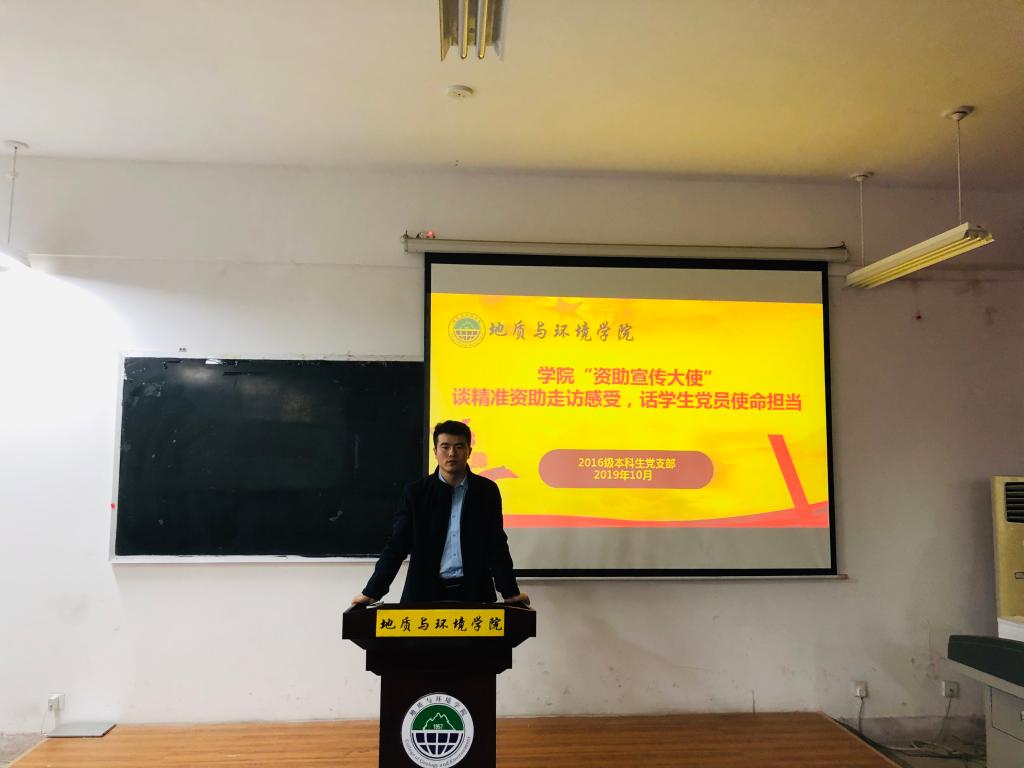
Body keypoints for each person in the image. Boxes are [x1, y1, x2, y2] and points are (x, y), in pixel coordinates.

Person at [351, 420, 530, 606]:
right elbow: (397, 545)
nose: (452, 453)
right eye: (445, 447)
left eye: (459, 446)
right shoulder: (416, 493)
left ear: (469, 451)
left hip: (474, 592)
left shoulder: (486, 491)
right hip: (424, 594)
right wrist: (372, 592)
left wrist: (510, 592)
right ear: (435, 451)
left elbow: (496, 545)